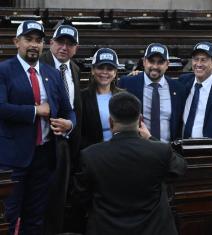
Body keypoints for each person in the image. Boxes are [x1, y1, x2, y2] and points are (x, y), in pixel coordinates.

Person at [0, 20, 75, 234]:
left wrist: (69, 124)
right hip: (12, 159)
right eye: (28, 39)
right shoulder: (3, 70)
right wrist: (35, 111)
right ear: (16, 42)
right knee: (9, 216)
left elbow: (68, 110)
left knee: (36, 217)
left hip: (45, 157)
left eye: (38, 40)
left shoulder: (52, 73)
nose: (34, 45)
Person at [73, 92, 187, 235]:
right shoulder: (160, 150)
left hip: (107, 228)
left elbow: (80, 196)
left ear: (110, 122)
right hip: (154, 229)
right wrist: (150, 138)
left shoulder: (90, 155)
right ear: (140, 121)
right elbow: (181, 168)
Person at [39, 24, 82, 234]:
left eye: (70, 44)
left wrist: (70, 125)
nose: (64, 47)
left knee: (58, 201)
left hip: (65, 144)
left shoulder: (74, 68)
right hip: (41, 144)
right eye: (60, 42)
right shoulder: (39, 64)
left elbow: (73, 108)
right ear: (51, 43)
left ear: (76, 48)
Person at [118, 43, 185, 142]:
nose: (155, 66)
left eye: (160, 62)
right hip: (137, 149)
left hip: (168, 150)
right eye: (151, 61)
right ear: (144, 62)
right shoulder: (128, 83)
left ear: (167, 64)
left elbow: (179, 123)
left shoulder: (178, 88)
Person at [81, 48, 123, 148]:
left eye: (109, 69)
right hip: (93, 154)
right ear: (92, 70)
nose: (104, 72)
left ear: (115, 72)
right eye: (100, 68)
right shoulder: (82, 97)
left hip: (119, 152)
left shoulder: (124, 97)